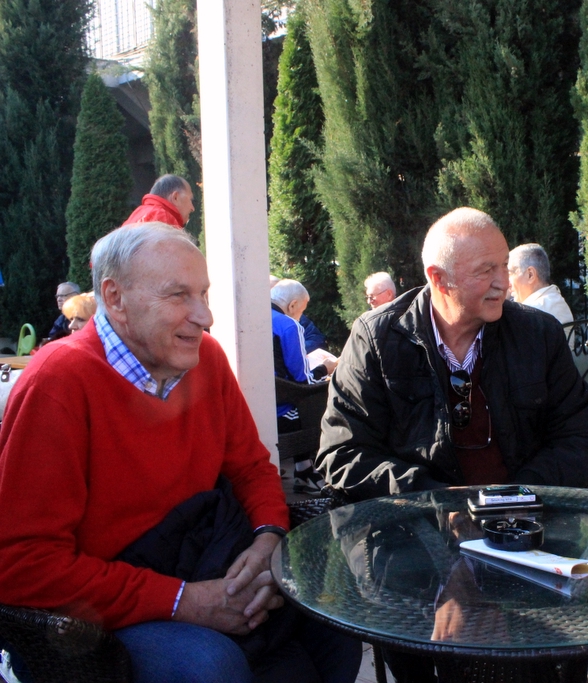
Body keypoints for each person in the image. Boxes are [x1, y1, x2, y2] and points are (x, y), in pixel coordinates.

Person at [0, 223, 360, 683]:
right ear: (114, 298)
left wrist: (268, 540)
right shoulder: (58, 382)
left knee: (336, 622)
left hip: (205, 561)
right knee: (209, 665)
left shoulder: (206, 359)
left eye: (203, 294)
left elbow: (251, 468)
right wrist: (183, 601)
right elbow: (22, 564)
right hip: (99, 619)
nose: (205, 317)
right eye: (178, 296)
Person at [317, 207, 588, 682]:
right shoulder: (377, 339)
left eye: (504, 266)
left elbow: (586, 435)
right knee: (428, 655)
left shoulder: (536, 334)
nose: (503, 283)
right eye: (485, 271)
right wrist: (439, 501)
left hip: (528, 537)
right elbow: (340, 454)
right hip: (411, 547)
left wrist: (512, 497)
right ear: (439, 278)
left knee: (541, 664)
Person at [271, 278, 338, 494]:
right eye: (301, 310)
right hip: (281, 410)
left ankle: (304, 470)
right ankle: (312, 468)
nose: (301, 316)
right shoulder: (288, 325)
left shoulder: (253, 317)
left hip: (256, 403)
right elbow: (303, 381)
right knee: (320, 396)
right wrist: (325, 368)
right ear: (292, 306)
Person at [508, 243, 573, 325]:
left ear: (530, 275)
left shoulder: (531, 313)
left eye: (510, 274)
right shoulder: (556, 300)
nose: (507, 284)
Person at [122, 174, 195, 229]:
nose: (192, 208)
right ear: (175, 198)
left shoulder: (138, 212)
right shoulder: (162, 217)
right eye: (190, 199)